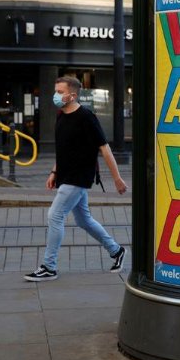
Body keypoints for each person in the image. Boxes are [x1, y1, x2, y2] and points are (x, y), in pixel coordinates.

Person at [24, 76, 128, 281]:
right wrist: (54, 172)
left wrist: (117, 178)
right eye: (56, 91)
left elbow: (105, 148)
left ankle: (49, 266)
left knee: (55, 215)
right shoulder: (61, 115)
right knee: (84, 220)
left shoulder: (86, 117)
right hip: (65, 175)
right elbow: (64, 150)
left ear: (72, 94)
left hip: (79, 176)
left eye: (60, 92)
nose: (56, 95)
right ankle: (116, 250)